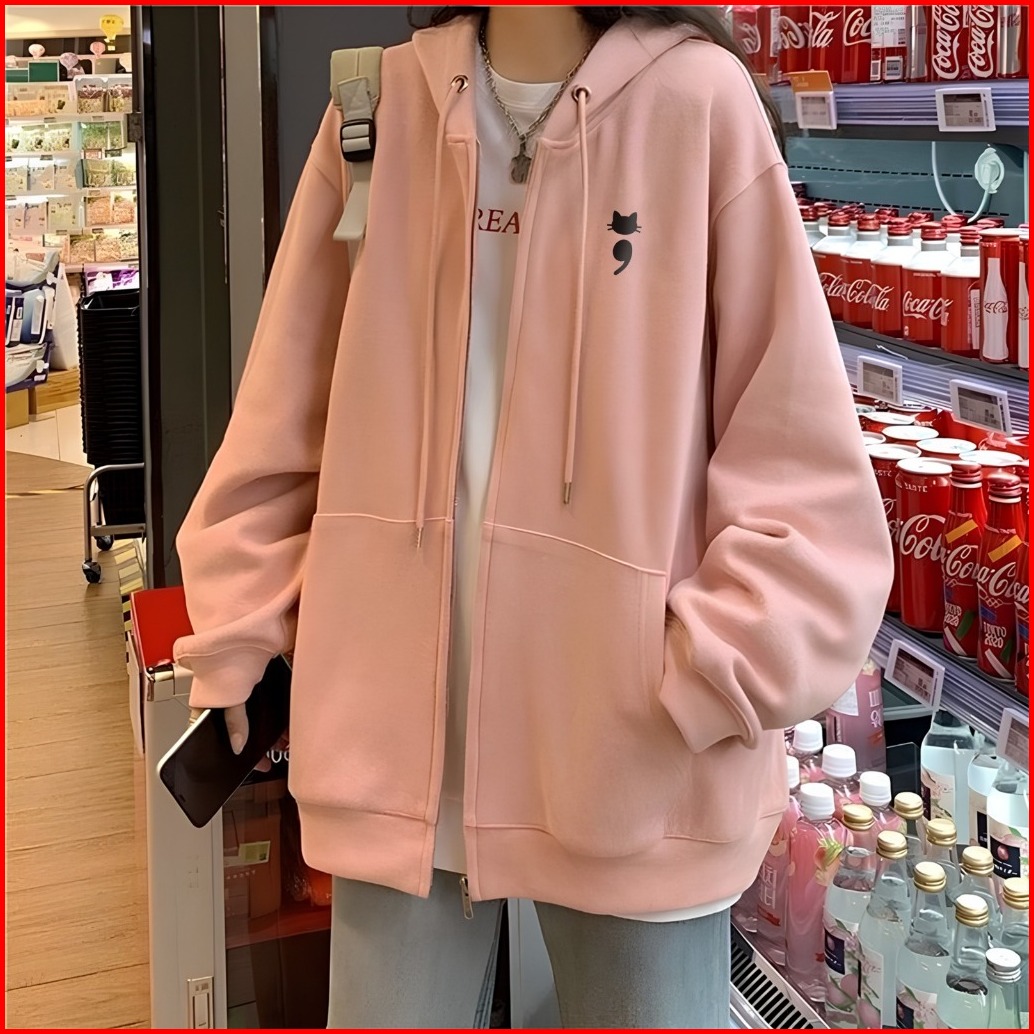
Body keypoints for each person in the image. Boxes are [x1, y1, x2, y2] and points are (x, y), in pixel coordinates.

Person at [173, 6, 894, 1028]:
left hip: (637, 773)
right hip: (396, 770)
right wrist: (241, 625)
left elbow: (801, 468)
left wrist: (708, 675)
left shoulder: (698, 104)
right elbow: (280, 423)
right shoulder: (373, 109)